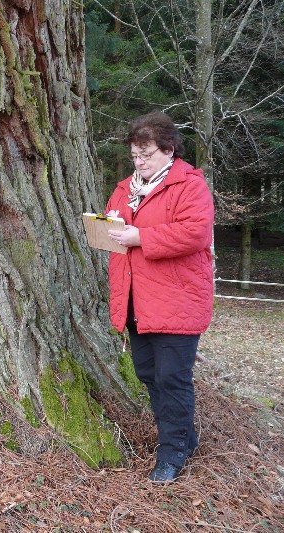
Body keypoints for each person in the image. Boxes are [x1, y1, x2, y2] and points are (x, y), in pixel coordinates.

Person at [105, 111, 215, 483]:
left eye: (146, 154)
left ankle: (171, 454)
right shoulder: (126, 188)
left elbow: (195, 233)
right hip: (137, 298)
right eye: (135, 154)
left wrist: (142, 238)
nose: (139, 162)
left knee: (172, 378)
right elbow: (114, 223)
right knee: (148, 373)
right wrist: (105, 229)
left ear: (168, 149)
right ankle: (185, 437)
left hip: (177, 300)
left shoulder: (188, 185)